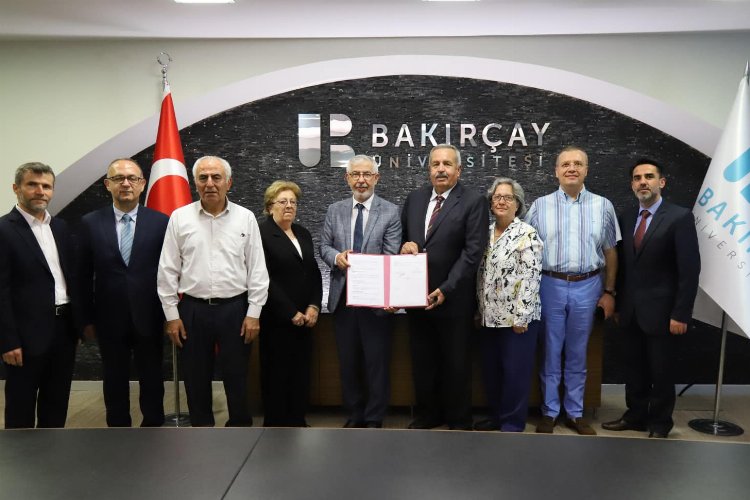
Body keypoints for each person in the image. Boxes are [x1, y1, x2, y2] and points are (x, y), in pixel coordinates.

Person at [157, 155, 269, 427]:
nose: (210, 183)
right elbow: (167, 269)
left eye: (216, 177)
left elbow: (257, 269)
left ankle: (240, 431)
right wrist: (172, 315)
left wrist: (254, 312)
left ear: (228, 183)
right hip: (192, 310)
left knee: (237, 378)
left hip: (236, 310)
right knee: (195, 379)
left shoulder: (245, 218)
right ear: (195, 183)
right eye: (203, 178)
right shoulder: (180, 218)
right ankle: (202, 434)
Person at [602, 159, 700, 438]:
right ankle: (635, 416)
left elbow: (689, 270)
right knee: (633, 370)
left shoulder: (679, 217)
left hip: (664, 313)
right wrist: (618, 303)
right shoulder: (626, 217)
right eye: (637, 178)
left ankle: (660, 423)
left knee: (661, 373)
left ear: (661, 182)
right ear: (632, 185)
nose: (642, 182)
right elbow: (623, 266)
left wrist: (681, 313)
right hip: (630, 311)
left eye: (648, 176)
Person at [526, 145, 619, 435]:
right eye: (565, 164)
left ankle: (575, 413)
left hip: (588, 285)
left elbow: (610, 251)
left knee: (578, 352)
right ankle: (550, 412)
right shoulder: (540, 206)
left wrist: (609, 291)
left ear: (586, 170)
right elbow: (526, 248)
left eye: (578, 163)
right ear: (556, 171)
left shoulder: (603, 206)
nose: (572, 168)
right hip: (549, 284)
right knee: (551, 350)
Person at [400, 144, 488, 430]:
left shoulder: (473, 201)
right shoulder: (414, 199)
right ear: (429, 170)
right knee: (423, 362)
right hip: (417, 298)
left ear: (458, 170)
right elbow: (404, 240)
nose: (440, 169)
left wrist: (446, 289)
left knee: (456, 363)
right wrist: (406, 246)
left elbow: (473, 252)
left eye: (447, 164)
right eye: (435, 164)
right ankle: (428, 415)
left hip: (454, 298)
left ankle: (458, 419)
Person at [78, 158, 169, 427]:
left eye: (132, 178)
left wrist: (171, 315)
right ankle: (117, 431)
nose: (126, 183)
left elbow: (171, 271)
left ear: (142, 184)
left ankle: (153, 428)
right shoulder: (90, 223)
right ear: (108, 184)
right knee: (113, 378)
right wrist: (85, 319)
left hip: (150, 315)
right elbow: (81, 275)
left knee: (152, 377)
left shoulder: (161, 222)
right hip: (108, 318)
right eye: (119, 178)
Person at [320, 154, 402, 428]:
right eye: (355, 174)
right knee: (348, 362)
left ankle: (374, 417)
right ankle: (354, 415)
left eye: (367, 174)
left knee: (376, 363)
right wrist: (336, 257)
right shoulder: (334, 210)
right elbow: (324, 246)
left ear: (376, 178)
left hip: (376, 301)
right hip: (343, 300)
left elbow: (391, 255)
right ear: (347, 178)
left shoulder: (390, 211)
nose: (361, 180)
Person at [0, 162, 78, 428]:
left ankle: (53, 453)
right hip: (24, 336)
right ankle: (21, 456)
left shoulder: (61, 227)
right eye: (32, 184)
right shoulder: (4, 230)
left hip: (63, 330)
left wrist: (78, 324)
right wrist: (7, 341)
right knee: (20, 407)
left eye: (46, 186)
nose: (40, 191)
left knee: (56, 403)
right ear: (16, 188)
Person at [474, 178, 543, 432]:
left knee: (515, 373)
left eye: (508, 197)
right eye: (497, 197)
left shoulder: (527, 233)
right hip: (488, 317)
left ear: (518, 204)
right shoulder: (484, 232)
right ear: (491, 203)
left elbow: (531, 277)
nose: (502, 201)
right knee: (492, 372)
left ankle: (512, 422)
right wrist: (478, 310)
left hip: (517, 320)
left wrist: (521, 316)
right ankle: (496, 417)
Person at [258, 180, 322, 427]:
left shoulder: (302, 233)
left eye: (293, 202)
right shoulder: (261, 233)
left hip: (305, 319)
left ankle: (297, 420)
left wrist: (314, 305)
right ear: (269, 206)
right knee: (277, 373)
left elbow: (314, 272)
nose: (289, 206)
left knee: (300, 372)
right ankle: (276, 426)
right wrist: (290, 312)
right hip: (277, 318)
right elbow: (264, 278)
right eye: (282, 201)